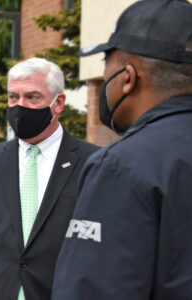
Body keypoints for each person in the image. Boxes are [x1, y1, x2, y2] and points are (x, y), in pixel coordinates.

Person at [52, 0, 192, 299]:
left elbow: (91, 289)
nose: (104, 78)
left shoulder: (122, 167)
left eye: (106, 62)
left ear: (128, 77)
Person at [0, 57, 99, 300]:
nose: (19, 106)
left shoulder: (93, 163)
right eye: (13, 97)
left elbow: (101, 251)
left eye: (32, 97)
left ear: (58, 103)